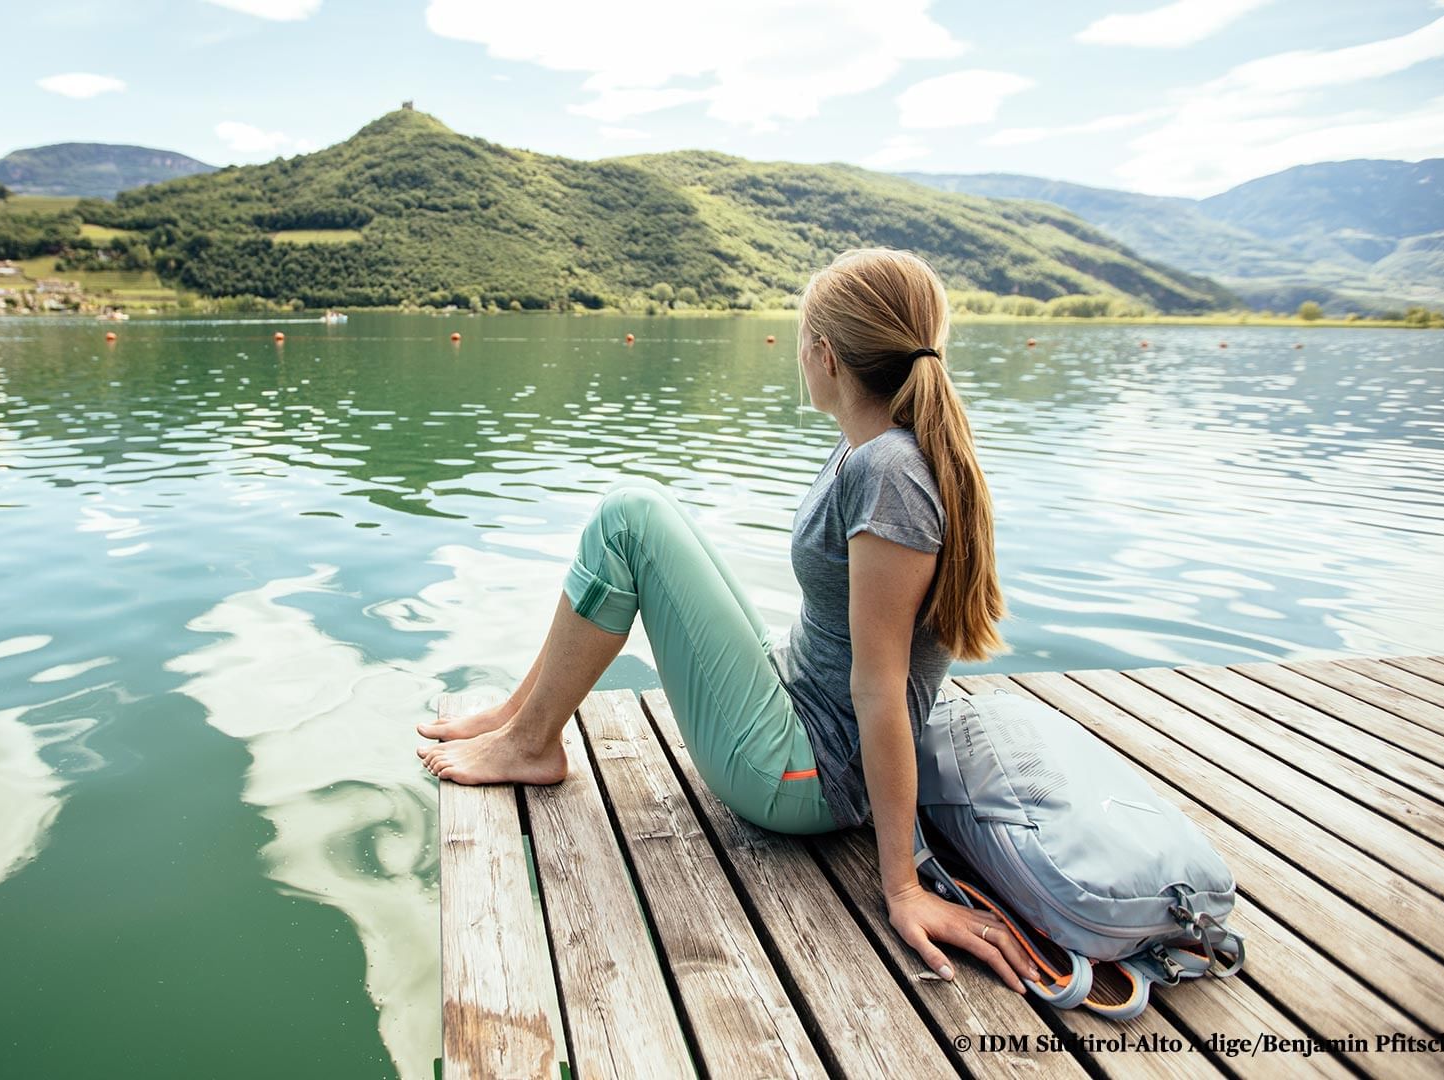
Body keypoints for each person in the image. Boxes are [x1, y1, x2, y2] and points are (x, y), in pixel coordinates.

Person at [415, 248, 1037, 994]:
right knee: (652, 514)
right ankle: (522, 716)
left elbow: (880, 690)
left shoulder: (890, 474)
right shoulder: (866, 447)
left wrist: (902, 884)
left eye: (802, 340)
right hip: (797, 701)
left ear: (825, 354)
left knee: (630, 518)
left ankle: (529, 741)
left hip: (804, 772)